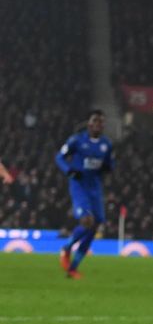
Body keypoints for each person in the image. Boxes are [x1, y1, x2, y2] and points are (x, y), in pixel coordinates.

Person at [55, 110, 114, 279]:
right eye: (95, 121)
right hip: (79, 186)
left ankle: (73, 268)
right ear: (89, 124)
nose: (98, 124)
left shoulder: (106, 144)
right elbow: (59, 157)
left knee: (96, 225)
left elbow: (109, 164)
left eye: (101, 122)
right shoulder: (77, 140)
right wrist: (69, 171)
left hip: (95, 187)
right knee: (87, 221)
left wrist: (109, 168)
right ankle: (66, 248)